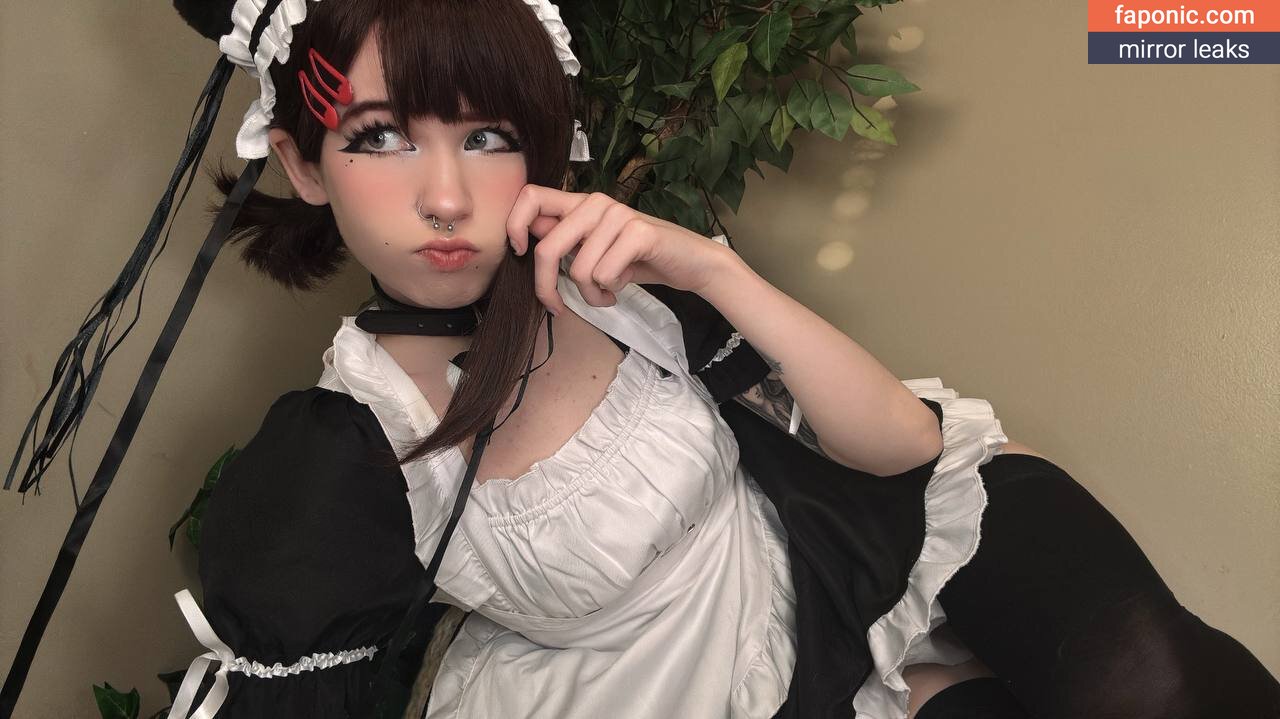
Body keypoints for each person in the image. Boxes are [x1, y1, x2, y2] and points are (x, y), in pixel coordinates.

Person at [7, 1, 1277, 718]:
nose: (446, 194)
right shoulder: (341, 451)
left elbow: (898, 446)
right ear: (299, 160)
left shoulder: (603, 276)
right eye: (381, 136)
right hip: (669, 689)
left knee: (1164, 681)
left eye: (487, 134)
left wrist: (712, 271)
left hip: (830, 547)